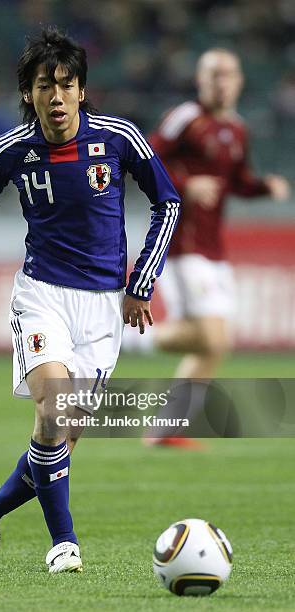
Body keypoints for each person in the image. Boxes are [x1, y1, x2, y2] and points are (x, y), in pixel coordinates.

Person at [0, 28, 180, 573]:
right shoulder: (14, 150)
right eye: (46, 85)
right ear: (29, 93)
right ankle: (63, 543)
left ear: (81, 90)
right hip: (41, 295)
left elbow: (168, 202)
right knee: (52, 407)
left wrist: (142, 281)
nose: (57, 97)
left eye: (67, 85)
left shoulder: (118, 139)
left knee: (58, 438)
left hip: (101, 308)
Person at [124, 48, 290, 448]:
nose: (221, 81)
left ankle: (165, 429)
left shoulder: (237, 129)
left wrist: (266, 187)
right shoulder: (185, 119)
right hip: (181, 243)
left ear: (239, 81)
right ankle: (123, 337)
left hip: (214, 250)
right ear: (200, 80)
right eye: (214, 74)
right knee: (213, 339)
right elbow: (143, 159)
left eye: (228, 74)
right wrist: (185, 184)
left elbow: (236, 182)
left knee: (215, 345)